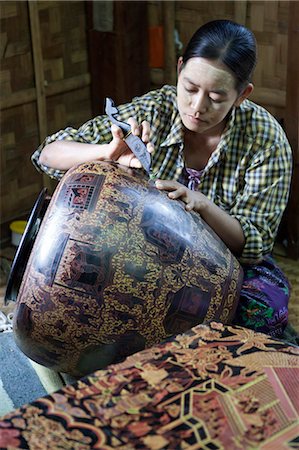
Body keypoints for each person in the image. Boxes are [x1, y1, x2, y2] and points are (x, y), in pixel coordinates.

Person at [32, 20, 293, 338]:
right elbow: (48, 154)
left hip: (229, 266)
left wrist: (203, 207)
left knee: (264, 310)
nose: (197, 107)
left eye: (216, 97)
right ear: (179, 69)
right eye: (190, 88)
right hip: (148, 253)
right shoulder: (155, 110)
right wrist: (107, 153)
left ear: (242, 95)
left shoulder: (264, 139)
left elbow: (254, 243)